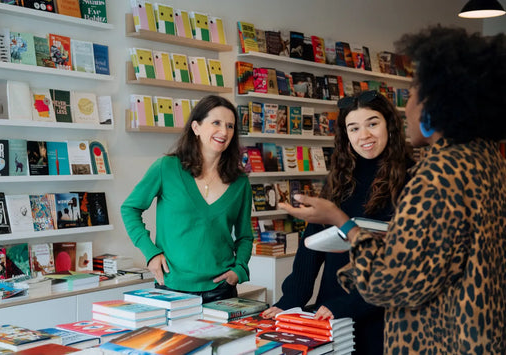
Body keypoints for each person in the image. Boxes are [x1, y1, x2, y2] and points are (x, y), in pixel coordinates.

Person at [279, 25, 506, 354]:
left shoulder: (437, 174)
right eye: (353, 128)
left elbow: (392, 281)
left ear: (433, 102)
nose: (408, 104)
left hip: (427, 335)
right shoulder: (487, 162)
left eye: (413, 92)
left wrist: (344, 223)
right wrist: (291, 304)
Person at [262, 90, 414, 355]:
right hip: (332, 318)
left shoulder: (412, 179)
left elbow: (407, 263)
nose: (364, 135)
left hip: (386, 320)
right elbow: (311, 246)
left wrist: (350, 305)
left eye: (372, 123)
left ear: (390, 124)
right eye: (353, 128)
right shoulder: (340, 179)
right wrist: (291, 301)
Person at [121, 95, 253, 303]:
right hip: (171, 287)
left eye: (230, 126)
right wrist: (151, 253)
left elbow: (245, 236)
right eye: (216, 123)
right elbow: (130, 209)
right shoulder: (166, 168)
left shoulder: (240, 182)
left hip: (221, 290)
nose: (224, 131)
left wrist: (239, 269)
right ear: (196, 127)